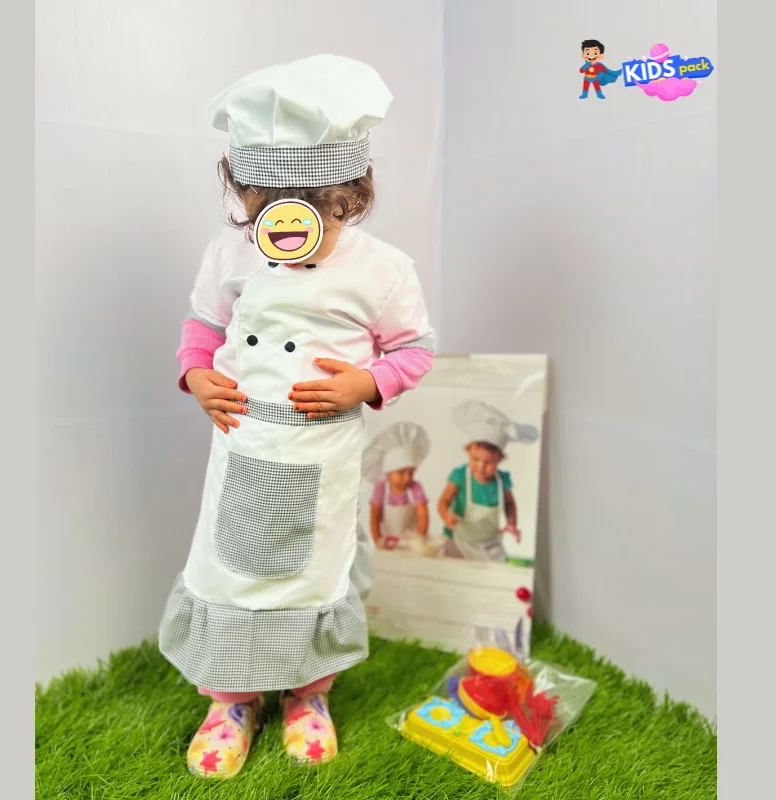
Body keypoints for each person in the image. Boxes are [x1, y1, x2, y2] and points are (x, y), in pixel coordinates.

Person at [158, 56, 435, 779]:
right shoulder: (230, 253)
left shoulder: (384, 269)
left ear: (352, 192)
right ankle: (229, 701)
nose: (288, 221)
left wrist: (368, 382)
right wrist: (196, 373)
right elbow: (202, 325)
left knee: (314, 575)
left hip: (324, 457)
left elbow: (414, 350)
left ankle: (308, 695)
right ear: (242, 191)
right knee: (230, 574)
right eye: (268, 202)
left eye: (314, 201)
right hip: (245, 446)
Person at [438, 401, 537, 561]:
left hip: (490, 544)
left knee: (496, 569)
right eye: (475, 459)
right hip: (458, 539)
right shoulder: (460, 476)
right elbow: (444, 501)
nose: (481, 466)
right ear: (468, 451)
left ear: (500, 459)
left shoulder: (502, 481)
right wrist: (446, 515)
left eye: (488, 462)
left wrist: (511, 523)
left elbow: (510, 504)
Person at [362, 422, 431, 552]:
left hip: (412, 545)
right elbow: (374, 517)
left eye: (411, 473)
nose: (407, 477)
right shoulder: (380, 489)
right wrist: (378, 540)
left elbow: (423, 515)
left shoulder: (415, 488)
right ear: (388, 472)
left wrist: (420, 538)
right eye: (401, 472)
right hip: (387, 545)